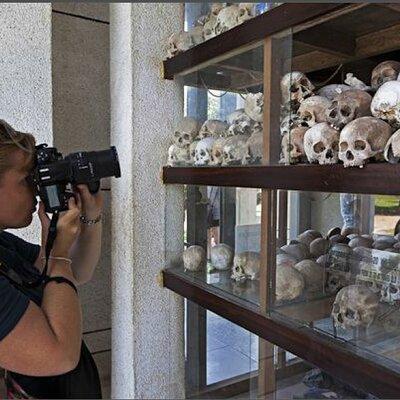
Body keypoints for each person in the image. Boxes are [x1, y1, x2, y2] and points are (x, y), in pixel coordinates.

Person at [0, 120, 104, 398]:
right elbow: (59, 354)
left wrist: (90, 215)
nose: (36, 188)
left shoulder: (3, 245)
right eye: (26, 178)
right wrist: (57, 254)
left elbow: (75, 273)